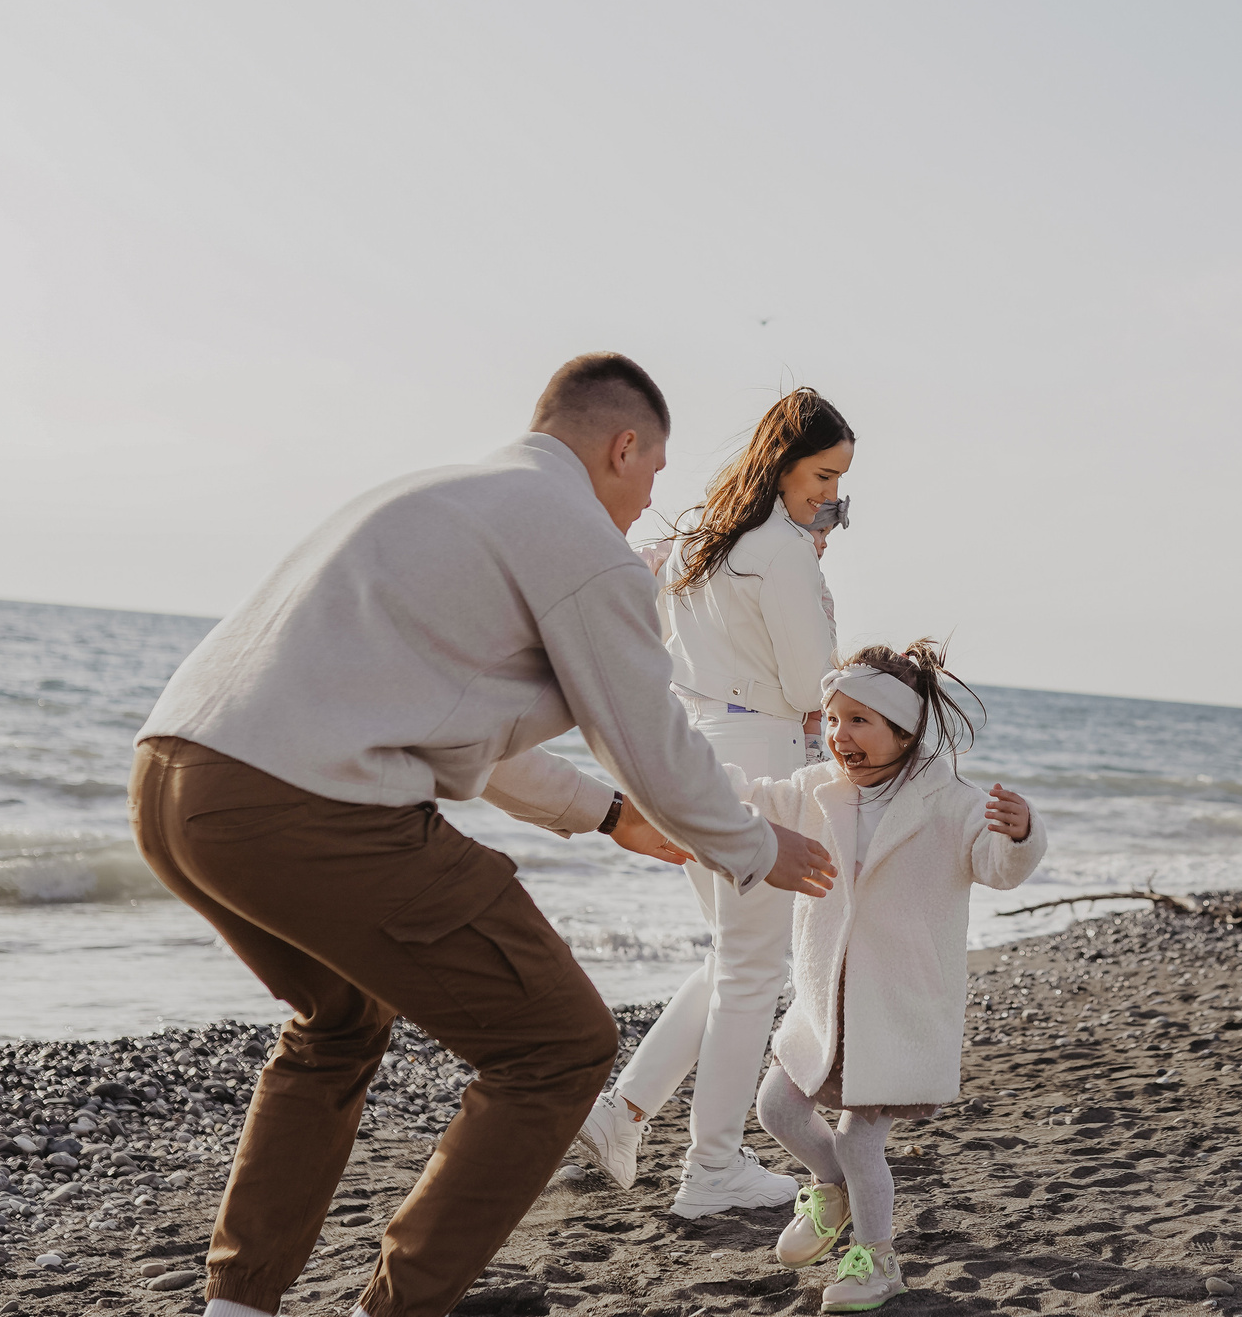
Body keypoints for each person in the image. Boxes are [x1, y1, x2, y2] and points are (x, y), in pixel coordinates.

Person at [129, 353, 838, 1317]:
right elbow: (645, 736)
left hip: (176, 776)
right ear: (622, 446)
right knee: (561, 1044)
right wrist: (755, 844)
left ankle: (237, 1305)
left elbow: (477, 737)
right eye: (652, 473)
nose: (647, 503)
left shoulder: (448, 494)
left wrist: (608, 816)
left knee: (340, 1022)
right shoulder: (576, 534)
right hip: (308, 803)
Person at [571, 388, 857, 1217]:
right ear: (785, 463)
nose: (831, 495)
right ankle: (714, 1166)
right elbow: (811, 684)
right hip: (763, 750)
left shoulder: (700, 539)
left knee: (734, 956)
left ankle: (622, 1111)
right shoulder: (783, 549)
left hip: (694, 751)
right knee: (752, 967)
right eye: (823, 474)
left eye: (839, 480)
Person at [747, 641, 1042, 1313]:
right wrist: (680, 782)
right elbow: (754, 800)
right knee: (776, 1107)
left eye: (858, 721)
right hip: (826, 999)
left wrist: (1021, 833)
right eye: (832, 718)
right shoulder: (818, 788)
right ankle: (834, 1187)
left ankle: (878, 1258)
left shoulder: (949, 801)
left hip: (897, 1006)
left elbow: (997, 865)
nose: (839, 735)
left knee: (859, 1136)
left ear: (904, 730)